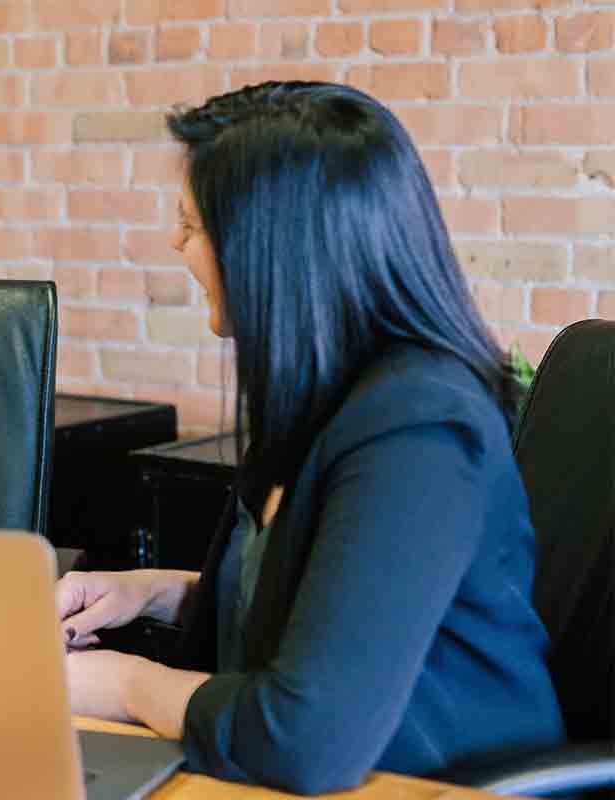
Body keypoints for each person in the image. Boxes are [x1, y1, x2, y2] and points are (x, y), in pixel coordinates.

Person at [56, 82, 565, 794]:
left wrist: (127, 685)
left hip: (434, 783)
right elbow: (327, 601)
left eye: (192, 225)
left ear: (272, 252)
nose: (175, 244)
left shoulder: (420, 429)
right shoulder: (325, 394)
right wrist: (154, 593)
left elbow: (304, 736)